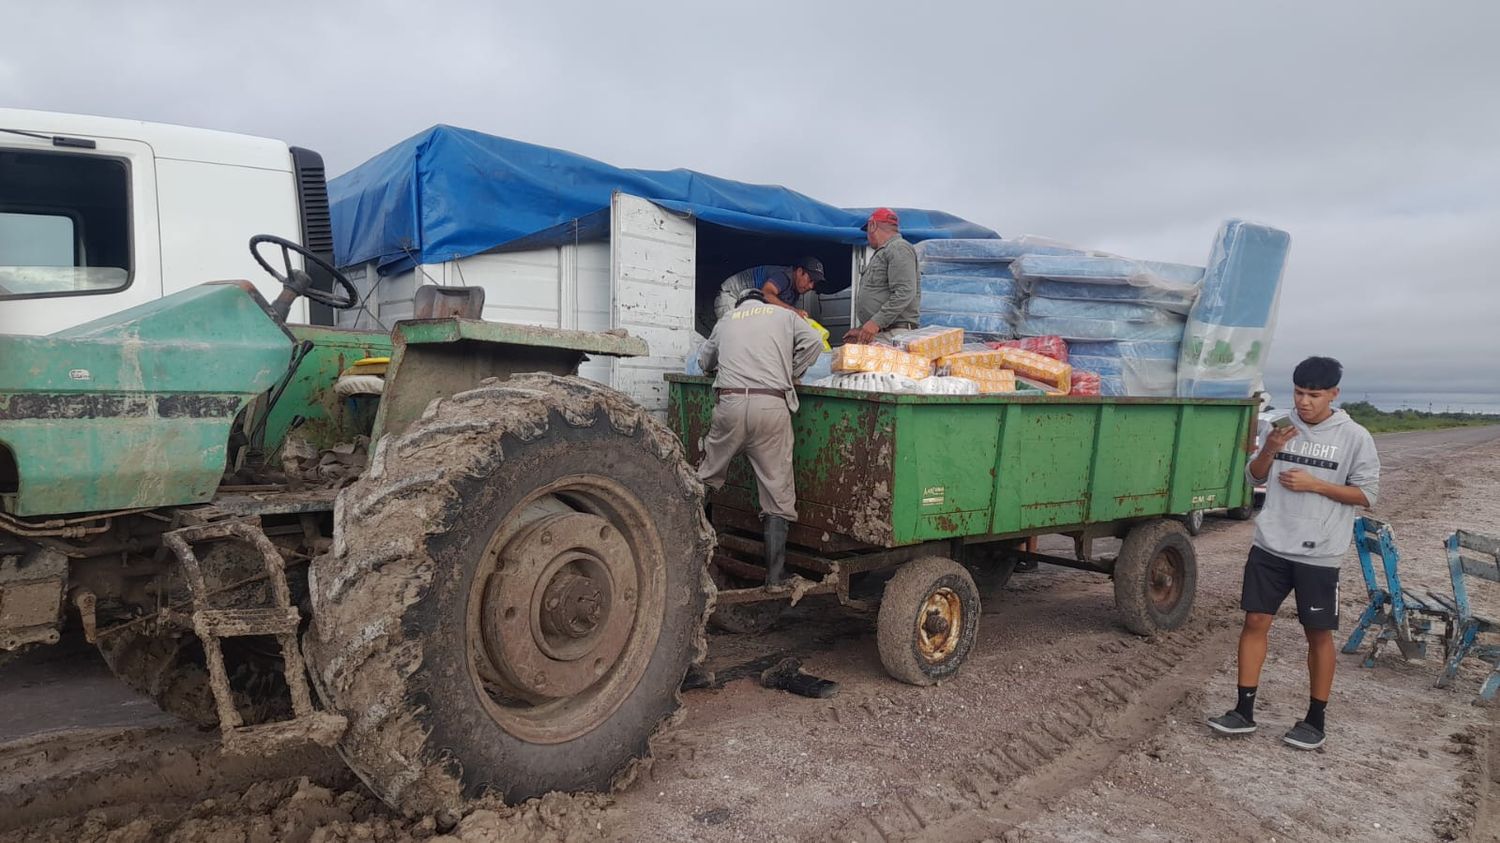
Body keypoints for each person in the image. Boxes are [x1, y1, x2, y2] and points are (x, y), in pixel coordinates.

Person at [1208, 356, 1381, 750]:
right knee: (1254, 621)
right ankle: (1242, 711)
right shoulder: (1281, 426)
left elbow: (1367, 495)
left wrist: (1315, 484)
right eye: (1299, 393)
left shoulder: (1355, 437)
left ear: (1333, 394)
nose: (1304, 402)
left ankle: (1314, 720)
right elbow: (1253, 477)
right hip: (1270, 544)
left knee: (1317, 633)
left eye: (1314, 395)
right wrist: (1268, 449)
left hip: (1319, 553)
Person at [696, 288, 824, 590]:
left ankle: (682, 545)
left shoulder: (727, 319)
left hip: (730, 404)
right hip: (771, 405)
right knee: (776, 491)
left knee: (705, 477)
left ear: (740, 304)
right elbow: (815, 343)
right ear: (761, 301)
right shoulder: (783, 315)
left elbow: (705, 362)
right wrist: (790, 371)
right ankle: (775, 577)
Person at [844, 207, 919, 345]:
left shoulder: (898, 248)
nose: (867, 236)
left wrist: (875, 322)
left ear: (872, 225)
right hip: (883, 333)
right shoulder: (885, 251)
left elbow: (905, 291)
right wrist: (862, 329)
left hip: (892, 335)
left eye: (867, 231)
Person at [712, 258, 825, 322]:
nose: (811, 286)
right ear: (800, 271)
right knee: (737, 336)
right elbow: (766, 294)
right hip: (730, 297)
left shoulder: (794, 291)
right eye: (810, 280)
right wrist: (794, 311)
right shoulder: (784, 276)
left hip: (745, 302)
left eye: (814, 283)